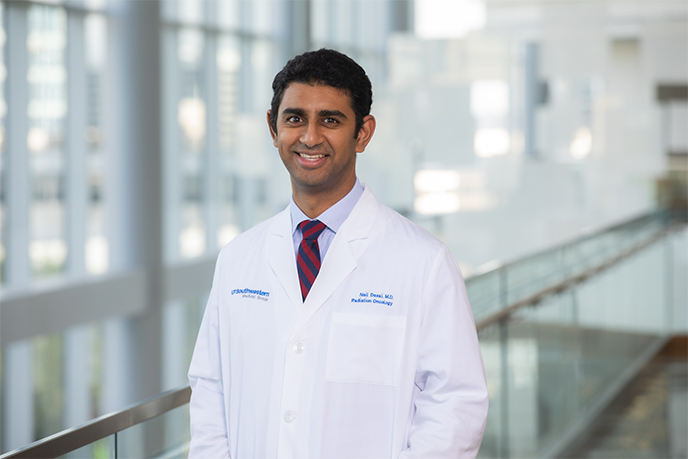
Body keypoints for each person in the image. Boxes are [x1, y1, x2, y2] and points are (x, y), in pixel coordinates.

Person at [188, 48, 488, 459]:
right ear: (273, 129)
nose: (310, 137)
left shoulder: (424, 261)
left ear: (362, 133)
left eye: (330, 120)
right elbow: (210, 390)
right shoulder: (239, 258)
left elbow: (455, 405)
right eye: (294, 118)